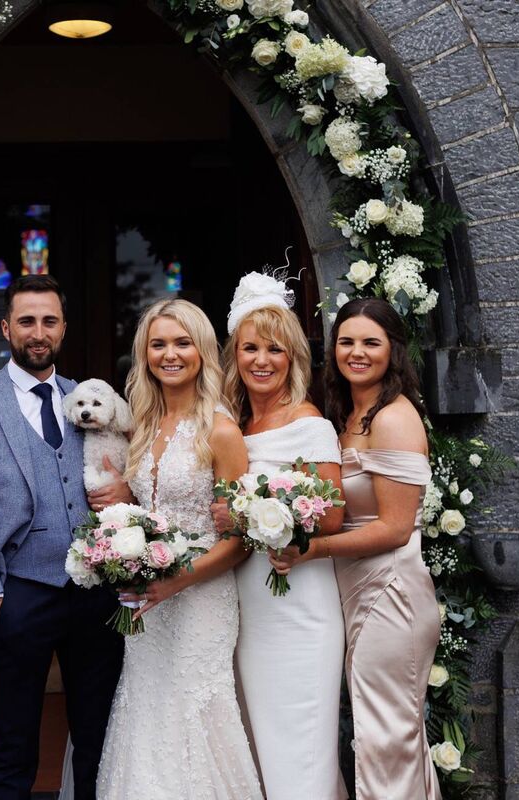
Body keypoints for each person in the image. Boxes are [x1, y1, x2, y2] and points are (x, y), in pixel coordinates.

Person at [0, 275, 129, 800]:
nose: (38, 332)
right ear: (6, 328)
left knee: (97, 733)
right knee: (13, 738)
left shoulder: (88, 398)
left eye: (49, 321)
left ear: (63, 328)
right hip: (20, 590)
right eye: (27, 321)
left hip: (94, 591)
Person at [97, 298, 262, 800]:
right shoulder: (141, 425)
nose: (170, 354)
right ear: (144, 354)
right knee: (147, 712)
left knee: (194, 714)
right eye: (159, 344)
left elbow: (240, 541)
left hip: (202, 601)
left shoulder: (221, 431)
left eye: (182, 343)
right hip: (148, 604)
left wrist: (176, 581)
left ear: (202, 350)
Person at [282, 297, 442, 799]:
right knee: (385, 732)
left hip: (391, 591)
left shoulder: (393, 418)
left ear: (392, 350)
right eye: (346, 341)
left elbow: (395, 528)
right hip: (359, 589)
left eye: (371, 342)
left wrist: (312, 548)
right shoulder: (351, 415)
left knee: (386, 736)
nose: (357, 352)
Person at [211, 273, 348, 799]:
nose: (262, 360)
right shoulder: (234, 424)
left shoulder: (309, 423)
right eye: (251, 348)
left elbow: (332, 516)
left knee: (301, 742)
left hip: (299, 603)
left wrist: (250, 517)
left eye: (275, 349)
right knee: (260, 741)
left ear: (293, 357)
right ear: (235, 354)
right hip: (248, 604)